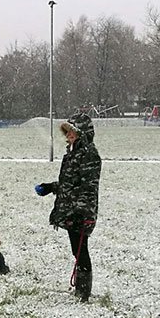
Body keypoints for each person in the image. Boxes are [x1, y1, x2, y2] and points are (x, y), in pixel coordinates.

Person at [35, 112, 102, 302]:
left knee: (81, 250)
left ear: (82, 133)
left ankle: (83, 291)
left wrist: (82, 212)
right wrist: (51, 187)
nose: (69, 136)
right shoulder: (72, 152)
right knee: (76, 249)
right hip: (70, 209)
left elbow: (89, 186)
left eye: (72, 132)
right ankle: (81, 287)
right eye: (67, 132)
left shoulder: (89, 154)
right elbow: (69, 183)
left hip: (80, 212)